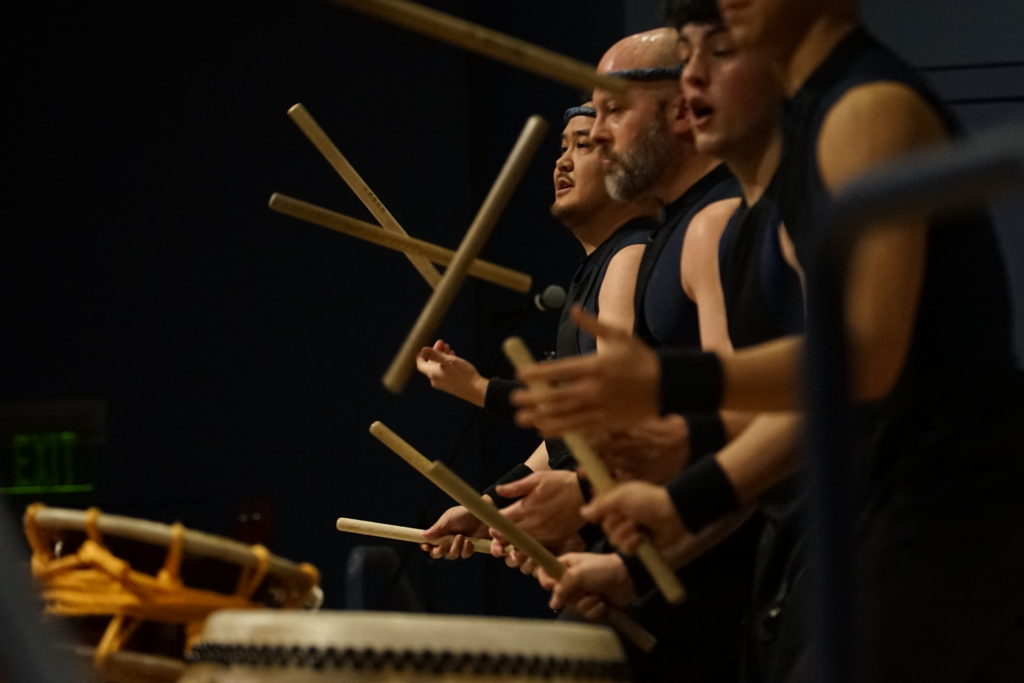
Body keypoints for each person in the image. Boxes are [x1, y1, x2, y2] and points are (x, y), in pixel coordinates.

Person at [515, 1, 1024, 680]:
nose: (695, 79)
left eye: (717, 54)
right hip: (867, 518)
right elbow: (811, 402)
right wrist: (675, 502)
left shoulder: (865, 108)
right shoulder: (786, 173)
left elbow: (866, 357)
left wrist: (669, 388)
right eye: (691, 53)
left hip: (949, 516)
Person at [416, 103, 659, 561]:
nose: (562, 161)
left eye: (583, 145)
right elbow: (569, 439)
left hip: (637, 533)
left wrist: (477, 389)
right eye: (561, 148)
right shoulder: (597, 269)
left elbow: (618, 411)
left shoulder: (629, 257)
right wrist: (489, 507)